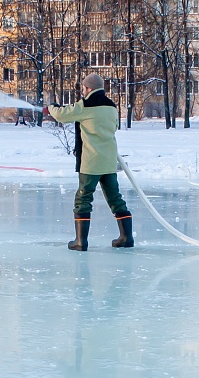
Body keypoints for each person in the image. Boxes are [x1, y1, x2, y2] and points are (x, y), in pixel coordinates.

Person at [43, 73, 133, 251]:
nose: (82, 91)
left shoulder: (85, 105)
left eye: (83, 88)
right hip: (108, 161)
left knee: (83, 199)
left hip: (90, 162)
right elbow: (114, 127)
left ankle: (80, 241)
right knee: (115, 199)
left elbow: (62, 115)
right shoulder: (112, 106)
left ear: (89, 88)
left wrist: (52, 107)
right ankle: (126, 237)